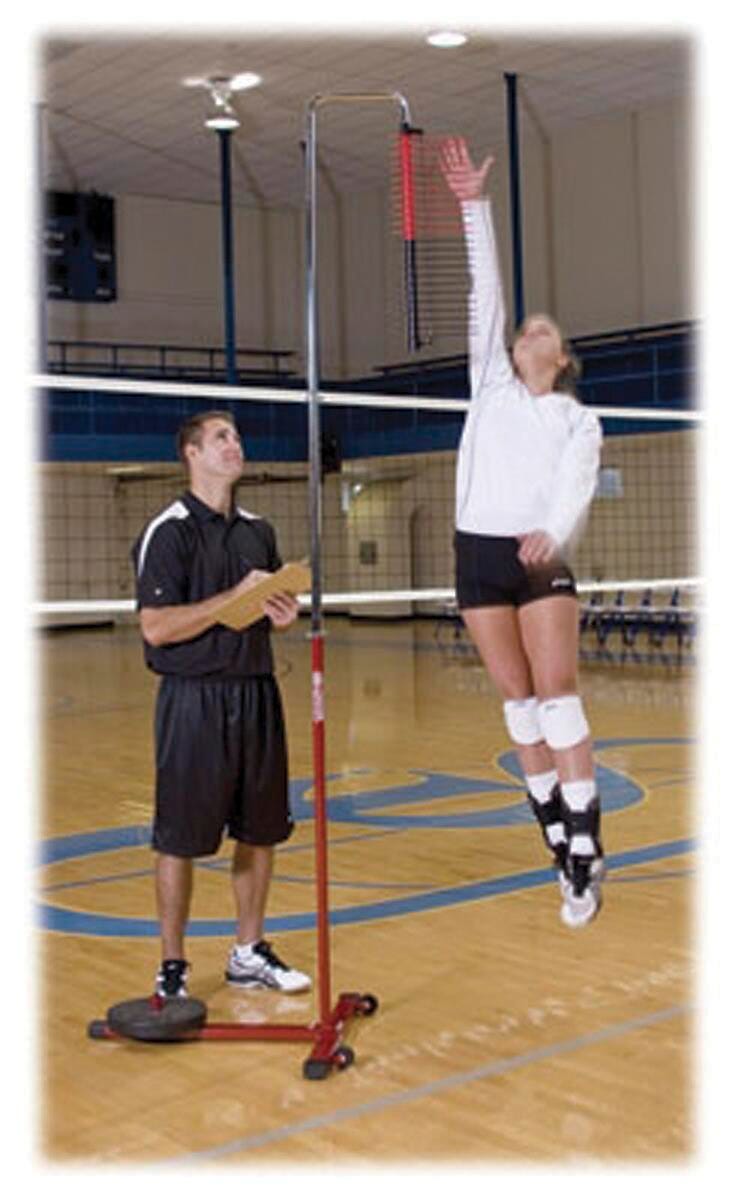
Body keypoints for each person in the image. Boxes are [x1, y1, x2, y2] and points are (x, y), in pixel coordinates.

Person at [439, 137, 605, 927]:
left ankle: (587, 849)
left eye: (544, 330)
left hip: (540, 554)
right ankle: (555, 836)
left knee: (558, 693)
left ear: (562, 358)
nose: (529, 331)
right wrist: (472, 206)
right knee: (519, 705)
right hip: (477, 551)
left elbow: (577, 482)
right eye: (524, 327)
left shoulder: (578, 418)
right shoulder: (489, 387)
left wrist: (553, 528)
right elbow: (488, 293)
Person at [131, 409, 312, 997]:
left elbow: (265, 613)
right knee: (178, 838)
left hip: (256, 693)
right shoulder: (169, 531)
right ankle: (173, 965)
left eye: (236, 436)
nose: (236, 444)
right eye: (221, 437)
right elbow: (157, 627)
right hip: (193, 701)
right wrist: (231, 598)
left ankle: (248, 952)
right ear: (192, 453)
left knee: (261, 830)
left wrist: (280, 615)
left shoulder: (258, 531)